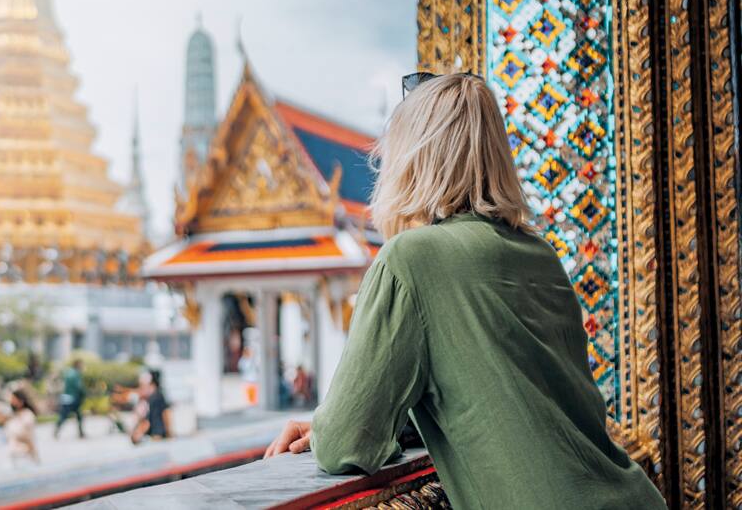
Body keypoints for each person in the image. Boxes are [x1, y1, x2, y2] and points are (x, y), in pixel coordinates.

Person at [263, 73, 665, 509]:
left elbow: (346, 443)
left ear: (413, 160)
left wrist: (324, 428)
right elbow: (498, 393)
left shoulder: (410, 260)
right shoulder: (540, 254)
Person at [128, 369, 169, 444]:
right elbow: (165, 414)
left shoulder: (152, 398)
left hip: (156, 433)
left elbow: (148, 420)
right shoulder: (157, 396)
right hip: (158, 433)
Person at [1, 389, 40, 467]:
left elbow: (27, 435)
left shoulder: (28, 415)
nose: (11, 402)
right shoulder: (12, 416)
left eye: (13, 399)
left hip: (25, 454)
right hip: (13, 454)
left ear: (21, 401)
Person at [52, 359, 86, 439]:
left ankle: (80, 432)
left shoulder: (68, 373)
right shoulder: (75, 374)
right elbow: (79, 387)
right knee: (67, 415)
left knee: (70, 415)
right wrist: (84, 394)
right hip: (73, 398)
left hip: (66, 397)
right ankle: (80, 432)